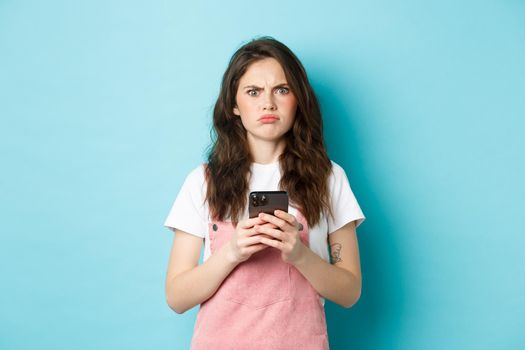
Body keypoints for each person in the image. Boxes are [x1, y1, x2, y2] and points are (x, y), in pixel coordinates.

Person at [163, 36, 366, 350]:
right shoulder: (202, 182)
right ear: (233, 104)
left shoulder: (329, 178)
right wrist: (232, 252)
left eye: (282, 90)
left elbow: (350, 291)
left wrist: (299, 255)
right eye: (253, 91)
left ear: (298, 99)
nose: (268, 103)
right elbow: (177, 297)